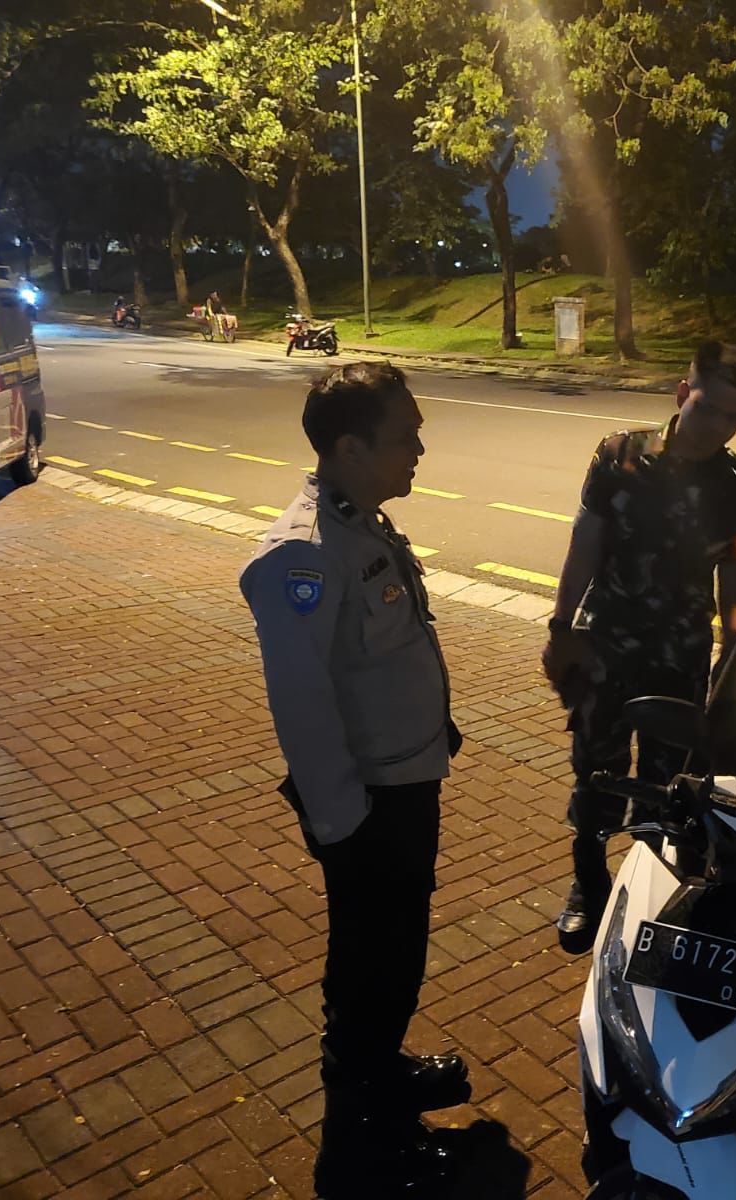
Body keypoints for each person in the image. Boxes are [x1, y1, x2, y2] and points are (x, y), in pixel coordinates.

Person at [240, 362, 468, 1198]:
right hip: (369, 806)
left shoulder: (358, 523)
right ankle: (361, 1146)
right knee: (370, 966)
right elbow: (302, 708)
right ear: (349, 448)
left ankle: (382, 1074)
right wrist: (346, 826)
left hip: (405, 781)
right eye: (405, 436)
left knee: (396, 951)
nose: (419, 449)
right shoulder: (300, 554)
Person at [545, 340, 736, 952]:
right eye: (709, 408)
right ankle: (589, 882)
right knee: (597, 770)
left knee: (671, 782)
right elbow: (585, 543)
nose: (720, 426)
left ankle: (651, 886)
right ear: (682, 393)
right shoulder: (620, 454)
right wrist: (561, 628)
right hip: (606, 642)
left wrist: (734, 646)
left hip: (681, 651)